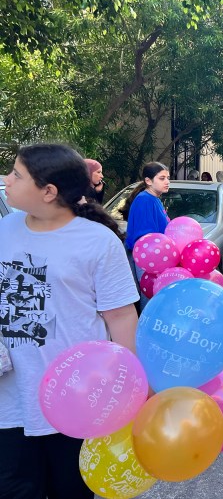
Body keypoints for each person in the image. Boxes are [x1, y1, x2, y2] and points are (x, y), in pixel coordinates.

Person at [0, 143, 139, 499]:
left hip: (76, 399)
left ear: (48, 192)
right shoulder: (7, 227)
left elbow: (121, 318)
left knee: (71, 492)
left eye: (17, 175)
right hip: (9, 401)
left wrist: (133, 392)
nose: (7, 180)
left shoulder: (98, 242)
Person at [120, 162, 171, 309]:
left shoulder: (153, 198)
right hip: (148, 257)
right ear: (148, 181)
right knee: (150, 296)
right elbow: (145, 237)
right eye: (162, 178)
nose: (167, 182)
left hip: (156, 256)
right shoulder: (144, 200)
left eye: (168, 178)